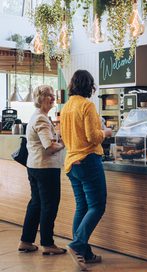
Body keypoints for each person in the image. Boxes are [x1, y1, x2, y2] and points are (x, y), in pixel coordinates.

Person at [60, 70, 112, 270]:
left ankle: (84, 254)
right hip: (88, 160)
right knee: (97, 206)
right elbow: (92, 136)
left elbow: (66, 136)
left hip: (71, 162)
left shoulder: (66, 107)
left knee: (82, 207)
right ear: (89, 86)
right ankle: (76, 245)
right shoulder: (86, 105)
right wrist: (105, 132)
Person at [18, 85, 66, 255]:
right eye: (48, 95)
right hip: (45, 168)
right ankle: (48, 244)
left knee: (36, 204)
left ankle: (26, 241)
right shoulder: (41, 119)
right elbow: (50, 147)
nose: (52, 98)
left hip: (35, 166)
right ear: (40, 98)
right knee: (49, 206)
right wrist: (64, 143)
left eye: (53, 95)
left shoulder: (38, 116)